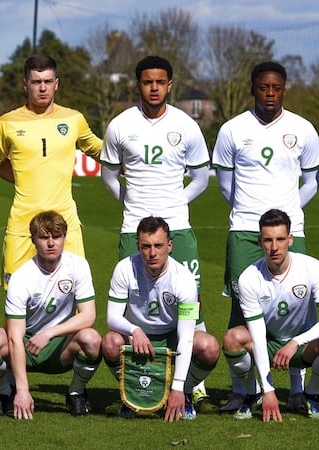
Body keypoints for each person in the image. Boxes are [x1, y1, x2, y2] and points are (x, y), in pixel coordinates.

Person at [100, 55, 213, 411]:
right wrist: (130, 203)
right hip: (133, 227)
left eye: (160, 82)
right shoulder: (120, 124)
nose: (153, 88)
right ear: (139, 84)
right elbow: (108, 176)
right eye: (147, 82)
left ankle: (194, 386)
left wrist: (175, 202)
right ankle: (137, 388)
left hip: (178, 225)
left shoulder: (186, 125)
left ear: (170, 85)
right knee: (132, 310)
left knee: (192, 306)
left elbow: (201, 177)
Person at [211, 61, 319, 412]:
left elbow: (312, 181)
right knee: (240, 308)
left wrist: (285, 218)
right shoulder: (232, 129)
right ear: (253, 89)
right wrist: (250, 211)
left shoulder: (303, 129)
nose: (270, 93)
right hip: (245, 230)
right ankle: (243, 391)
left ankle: (296, 387)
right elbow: (225, 183)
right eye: (263, 87)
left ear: (284, 89)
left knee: (298, 307)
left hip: (292, 232)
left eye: (276, 87)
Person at [0, 54, 102, 288]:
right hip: (23, 224)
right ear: (25, 84)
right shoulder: (8, 122)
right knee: (15, 298)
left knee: (76, 295)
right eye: (36, 82)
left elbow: (99, 150)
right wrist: (18, 178)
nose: (42, 88)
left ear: (57, 83)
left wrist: (132, 158)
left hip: (66, 223)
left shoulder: (74, 119)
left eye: (47, 81)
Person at [0, 210, 101, 419]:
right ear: (33, 240)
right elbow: (15, 337)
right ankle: (7, 390)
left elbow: (88, 316)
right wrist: (24, 391)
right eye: (44, 237)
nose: (51, 243)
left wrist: (50, 333)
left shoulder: (78, 266)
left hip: (59, 346)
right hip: (27, 343)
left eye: (57, 236)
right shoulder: (21, 277)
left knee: (92, 338)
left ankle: (76, 392)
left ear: (65, 237)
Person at [222, 209, 319, 422]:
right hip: (268, 345)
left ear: (290, 239)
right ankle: (254, 393)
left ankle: (311, 394)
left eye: (280, 239)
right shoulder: (249, 278)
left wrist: (296, 342)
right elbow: (257, 336)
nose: (274, 247)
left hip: (303, 348)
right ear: (260, 241)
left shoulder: (311, 267)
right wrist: (269, 390)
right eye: (268, 240)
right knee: (233, 338)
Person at [102, 216, 219, 421]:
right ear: (138, 246)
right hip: (138, 337)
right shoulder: (124, 268)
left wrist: (178, 387)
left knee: (209, 347)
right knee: (110, 342)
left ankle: (186, 394)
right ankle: (131, 394)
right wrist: (135, 331)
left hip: (171, 336)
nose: (152, 253)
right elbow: (112, 317)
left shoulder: (185, 280)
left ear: (170, 246)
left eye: (158, 245)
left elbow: (186, 337)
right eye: (146, 246)